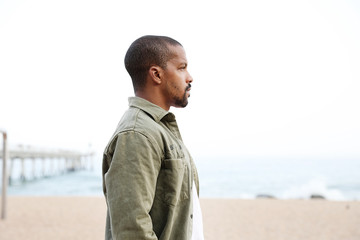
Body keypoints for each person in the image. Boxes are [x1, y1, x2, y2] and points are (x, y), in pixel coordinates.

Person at [102, 35, 204, 240]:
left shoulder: (160, 129)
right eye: (182, 67)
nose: (190, 77)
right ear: (157, 74)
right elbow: (132, 229)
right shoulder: (137, 134)